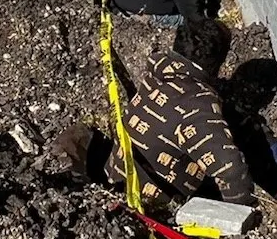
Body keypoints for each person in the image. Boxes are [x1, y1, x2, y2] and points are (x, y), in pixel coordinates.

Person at [107, 19, 253, 207]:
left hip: (114, 178)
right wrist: (241, 212)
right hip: (155, 208)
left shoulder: (158, 72)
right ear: (218, 63)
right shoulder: (197, 104)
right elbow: (231, 170)